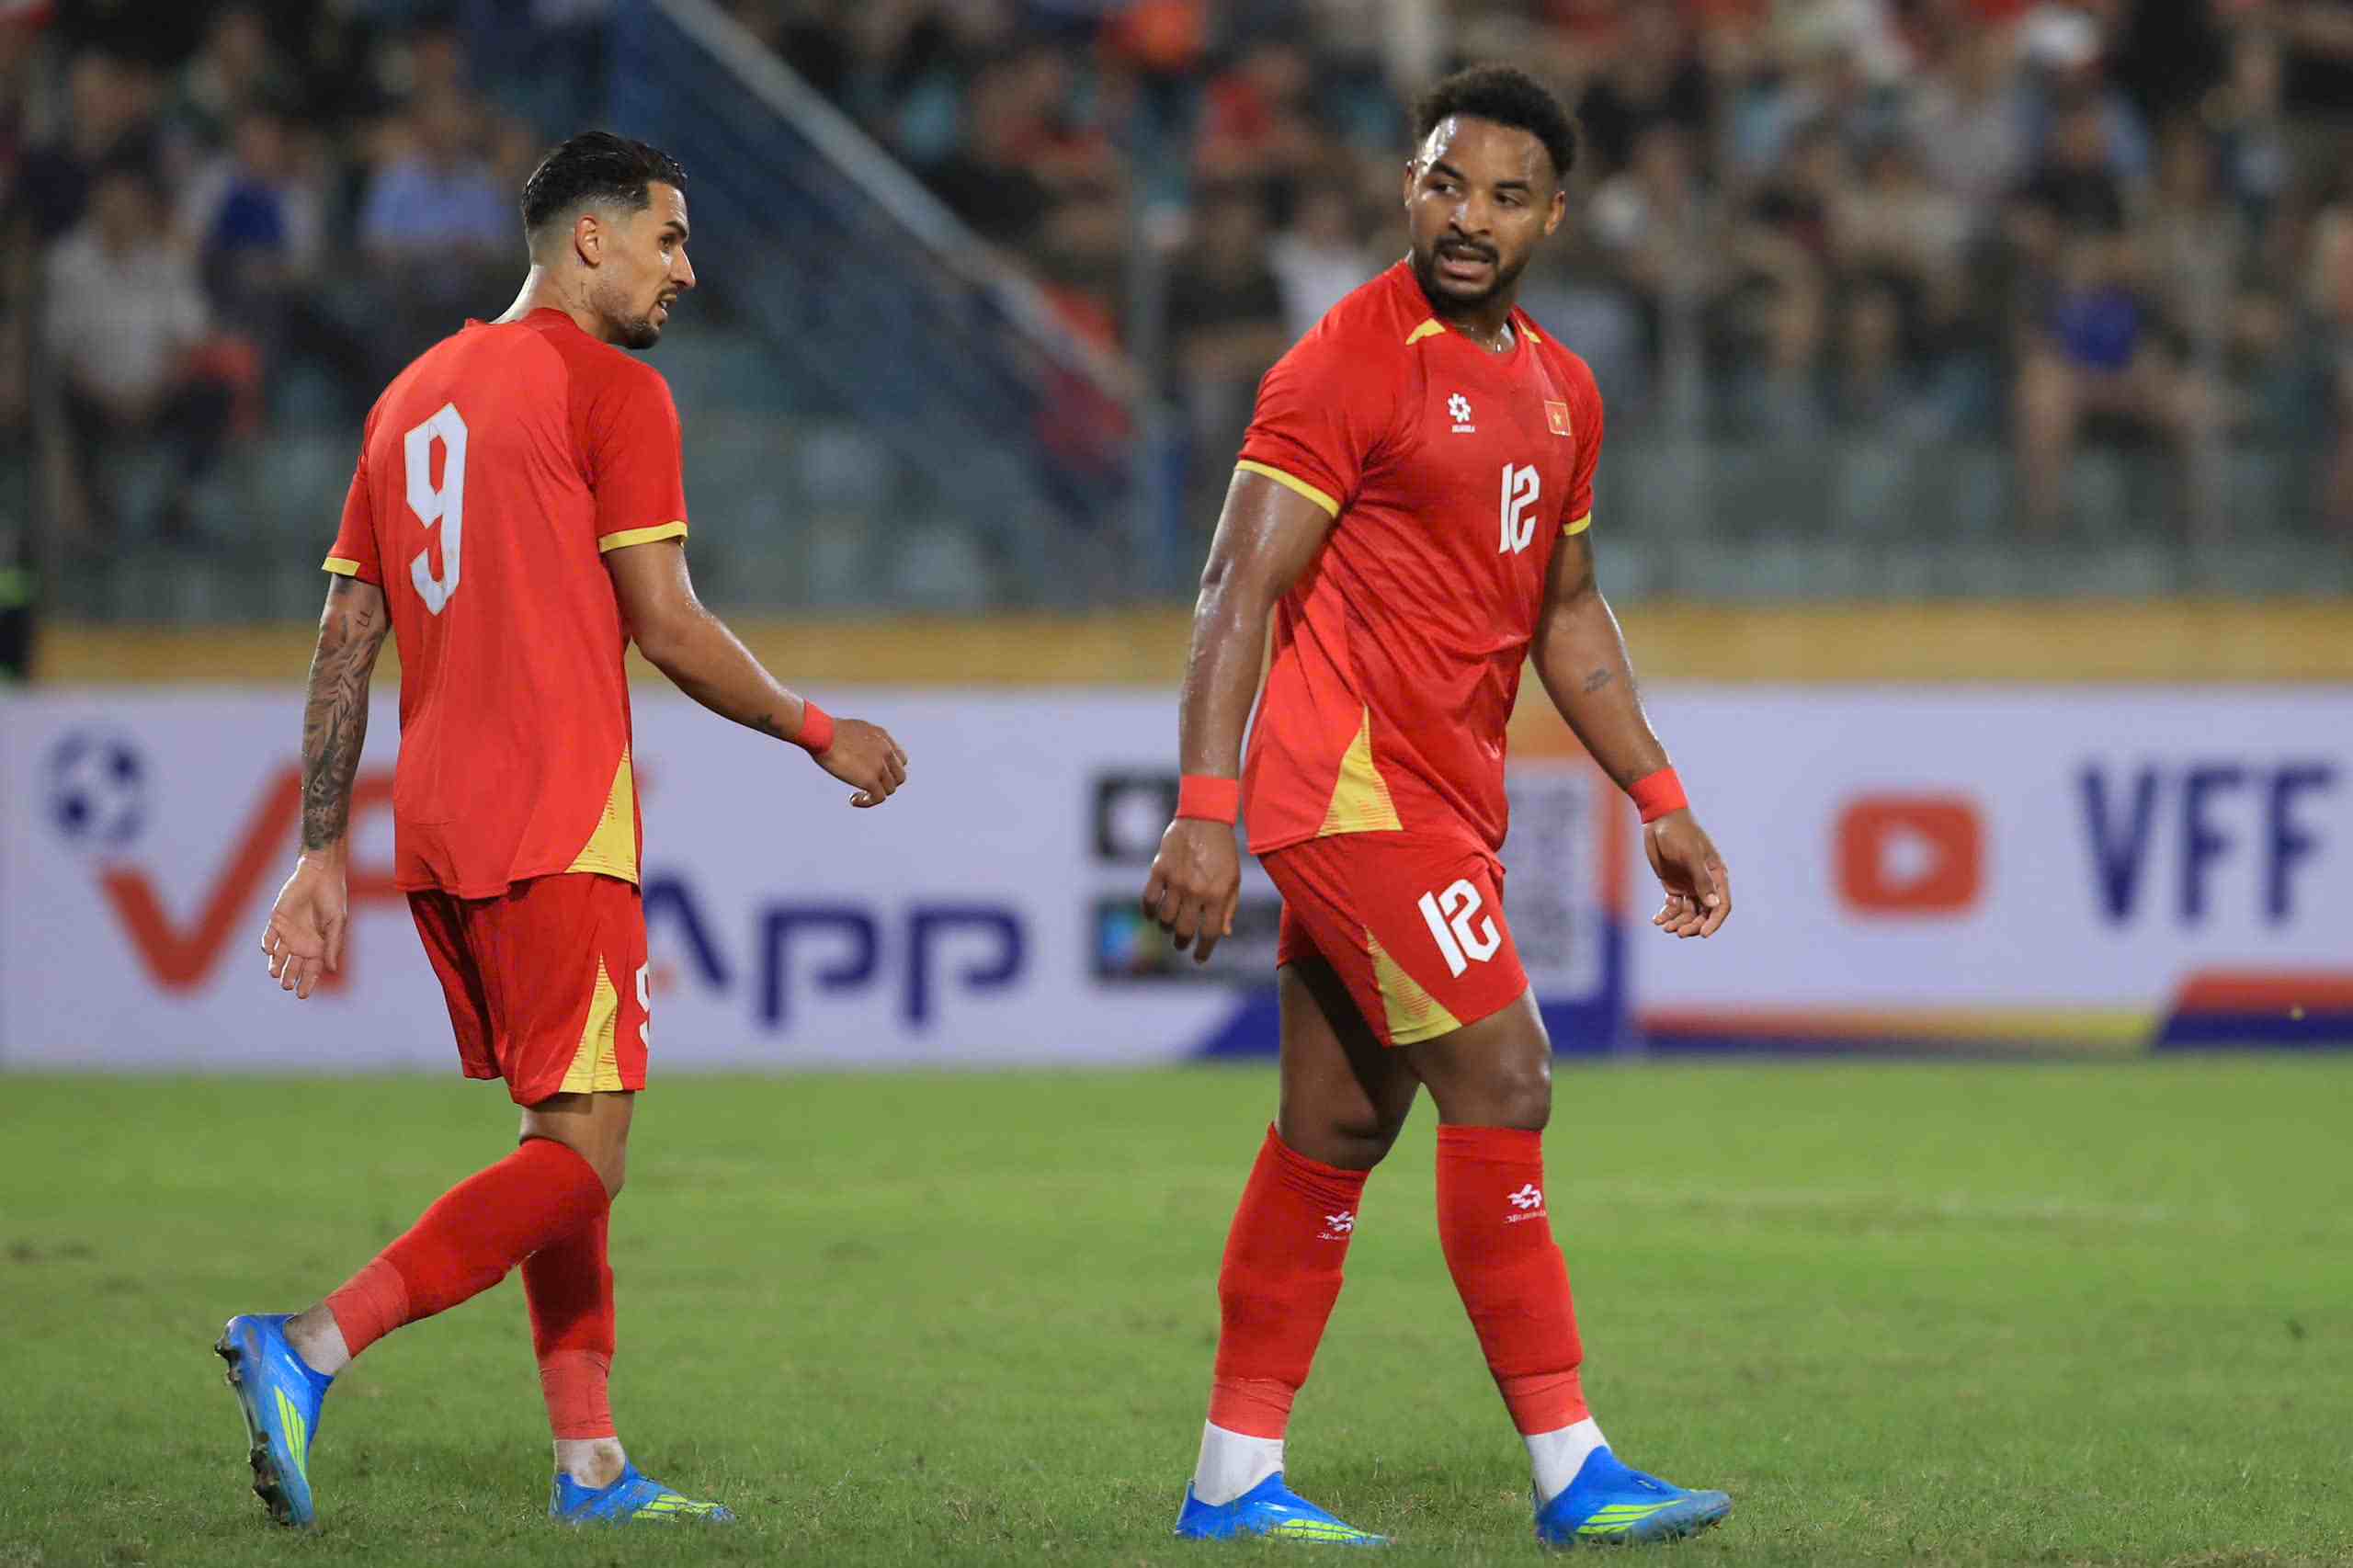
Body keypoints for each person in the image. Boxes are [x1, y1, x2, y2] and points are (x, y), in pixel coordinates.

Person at [216, 131, 909, 1529]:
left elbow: (346, 638)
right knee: (586, 1157)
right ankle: (314, 1342)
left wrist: (320, 848)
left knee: (559, 1140)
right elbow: (668, 623)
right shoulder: (613, 389)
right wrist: (815, 728)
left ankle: (589, 1464)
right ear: (592, 239)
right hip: (556, 815)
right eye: (669, 237)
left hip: (438, 832)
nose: (686, 269)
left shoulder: (409, 396)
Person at [1142, 66, 1734, 1550]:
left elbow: (1568, 609)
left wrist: (1656, 791)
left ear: (1553, 217)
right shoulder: (1348, 360)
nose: (1469, 218)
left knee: (1333, 1130)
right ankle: (1574, 1465)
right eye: (1445, 184)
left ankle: (1232, 1477)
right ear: (1409, 187)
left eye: (1505, 196)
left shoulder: (1563, 389)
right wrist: (1205, 808)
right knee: (1509, 1076)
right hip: (1352, 793)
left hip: (1443, 798)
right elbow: (1235, 586)